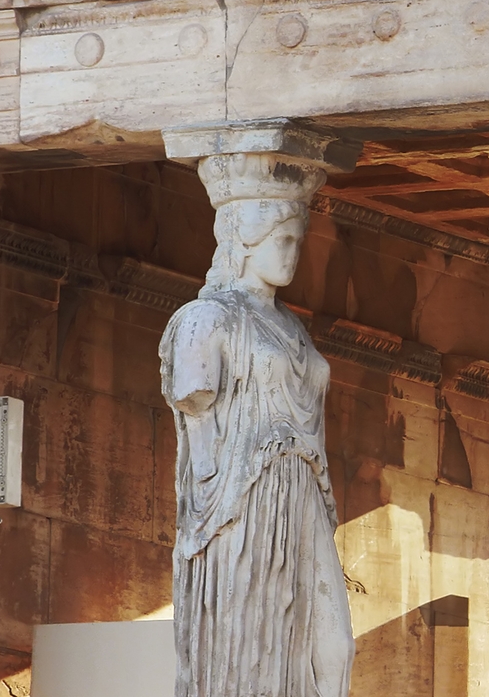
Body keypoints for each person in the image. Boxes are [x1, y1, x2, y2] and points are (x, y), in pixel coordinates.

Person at [160, 188, 353, 697]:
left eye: (297, 241)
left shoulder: (294, 328)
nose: (291, 252)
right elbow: (194, 395)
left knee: (334, 647)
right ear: (244, 242)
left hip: (304, 490)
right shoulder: (208, 319)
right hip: (244, 499)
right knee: (250, 644)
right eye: (281, 239)